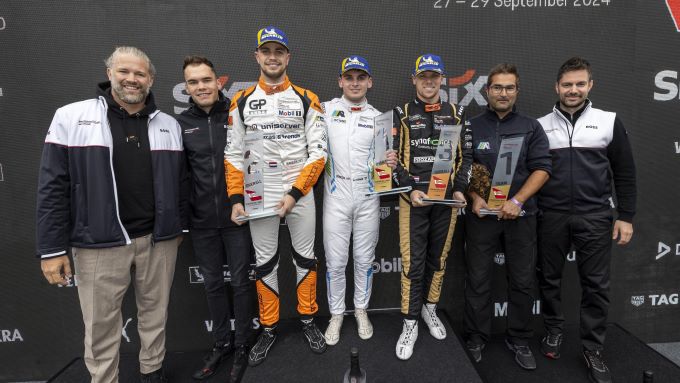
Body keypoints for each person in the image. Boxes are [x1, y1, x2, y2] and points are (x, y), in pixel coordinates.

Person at [36, 46, 186, 383]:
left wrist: (176, 227)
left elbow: (181, 182)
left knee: (155, 315)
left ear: (151, 79)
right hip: (98, 244)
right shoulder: (71, 116)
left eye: (140, 74)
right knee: (100, 325)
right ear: (109, 74)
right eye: (124, 72)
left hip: (157, 241)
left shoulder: (168, 124)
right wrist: (51, 249)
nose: (132, 79)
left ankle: (152, 371)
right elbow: (52, 186)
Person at [224, 26, 328, 366]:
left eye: (278, 51)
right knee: (265, 263)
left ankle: (308, 321)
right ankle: (268, 328)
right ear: (257, 56)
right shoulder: (240, 101)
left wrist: (295, 193)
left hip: (300, 193)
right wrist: (235, 198)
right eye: (266, 51)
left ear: (287, 57)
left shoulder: (306, 98)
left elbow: (319, 154)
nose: (272, 57)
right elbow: (232, 154)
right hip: (259, 196)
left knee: (305, 259)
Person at [537, 56, 636, 383]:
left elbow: (624, 172)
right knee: (549, 278)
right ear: (557, 87)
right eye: (567, 84)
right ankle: (553, 330)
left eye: (580, 83)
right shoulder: (540, 125)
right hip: (550, 215)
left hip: (595, 216)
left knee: (595, 285)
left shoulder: (608, 121)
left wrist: (626, 216)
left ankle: (592, 347)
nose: (573, 90)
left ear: (590, 85)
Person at [463, 64, 551, 370]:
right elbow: (465, 168)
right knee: (477, 279)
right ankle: (476, 337)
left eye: (509, 88)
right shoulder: (471, 126)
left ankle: (520, 339)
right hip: (482, 217)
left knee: (523, 280)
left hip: (521, 215)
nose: (503, 93)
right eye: (497, 88)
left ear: (517, 91)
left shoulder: (531, 127)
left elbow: (542, 169)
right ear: (487, 92)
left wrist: (517, 200)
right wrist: (474, 198)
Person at [177, 56, 254, 382]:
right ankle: (221, 343)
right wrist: (183, 218)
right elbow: (178, 175)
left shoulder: (237, 114)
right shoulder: (179, 124)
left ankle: (242, 346)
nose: (200, 87)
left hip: (237, 217)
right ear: (187, 87)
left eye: (206, 80)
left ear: (218, 81)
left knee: (240, 283)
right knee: (212, 286)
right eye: (193, 82)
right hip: (201, 221)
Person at [392, 54, 472, 360]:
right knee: (413, 265)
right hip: (414, 201)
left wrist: (461, 190)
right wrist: (410, 189)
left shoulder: (458, 113)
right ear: (414, 80)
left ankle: (429, 309)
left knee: (438, 260)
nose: (428, 82)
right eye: (423, 77)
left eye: (434, 77)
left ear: (442, 80)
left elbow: (467, 159)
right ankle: (409, 322)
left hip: (447, 201)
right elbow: (393, 159)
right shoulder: (401, 114)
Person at [321, 56, 382, 346]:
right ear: (340, 80)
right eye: (350, 77)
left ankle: (360, 309)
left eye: (361, 77)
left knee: (364, 260)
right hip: (336, 194)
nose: (355, 83)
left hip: (369, 195)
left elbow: (384, 163)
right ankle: (336, 314)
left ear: (369, 81)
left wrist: (389, 162)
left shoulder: (380, 117)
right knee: (335, 261)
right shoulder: (325, 110)